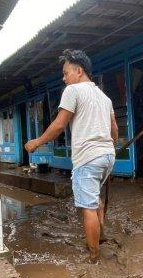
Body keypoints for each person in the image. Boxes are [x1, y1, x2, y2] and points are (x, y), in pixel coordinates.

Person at [25, 49, 118, 263]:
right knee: (96, 201)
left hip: (88, 159)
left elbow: (59, 125)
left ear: (79, 71)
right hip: (107, 157)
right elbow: (114, 130)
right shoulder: (105, 97)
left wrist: (36, 142)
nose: (64, 78)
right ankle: (100, 236)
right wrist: (108, 147)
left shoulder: (73, 91)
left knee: (88, 208)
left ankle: (94, 257)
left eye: (66, 73)